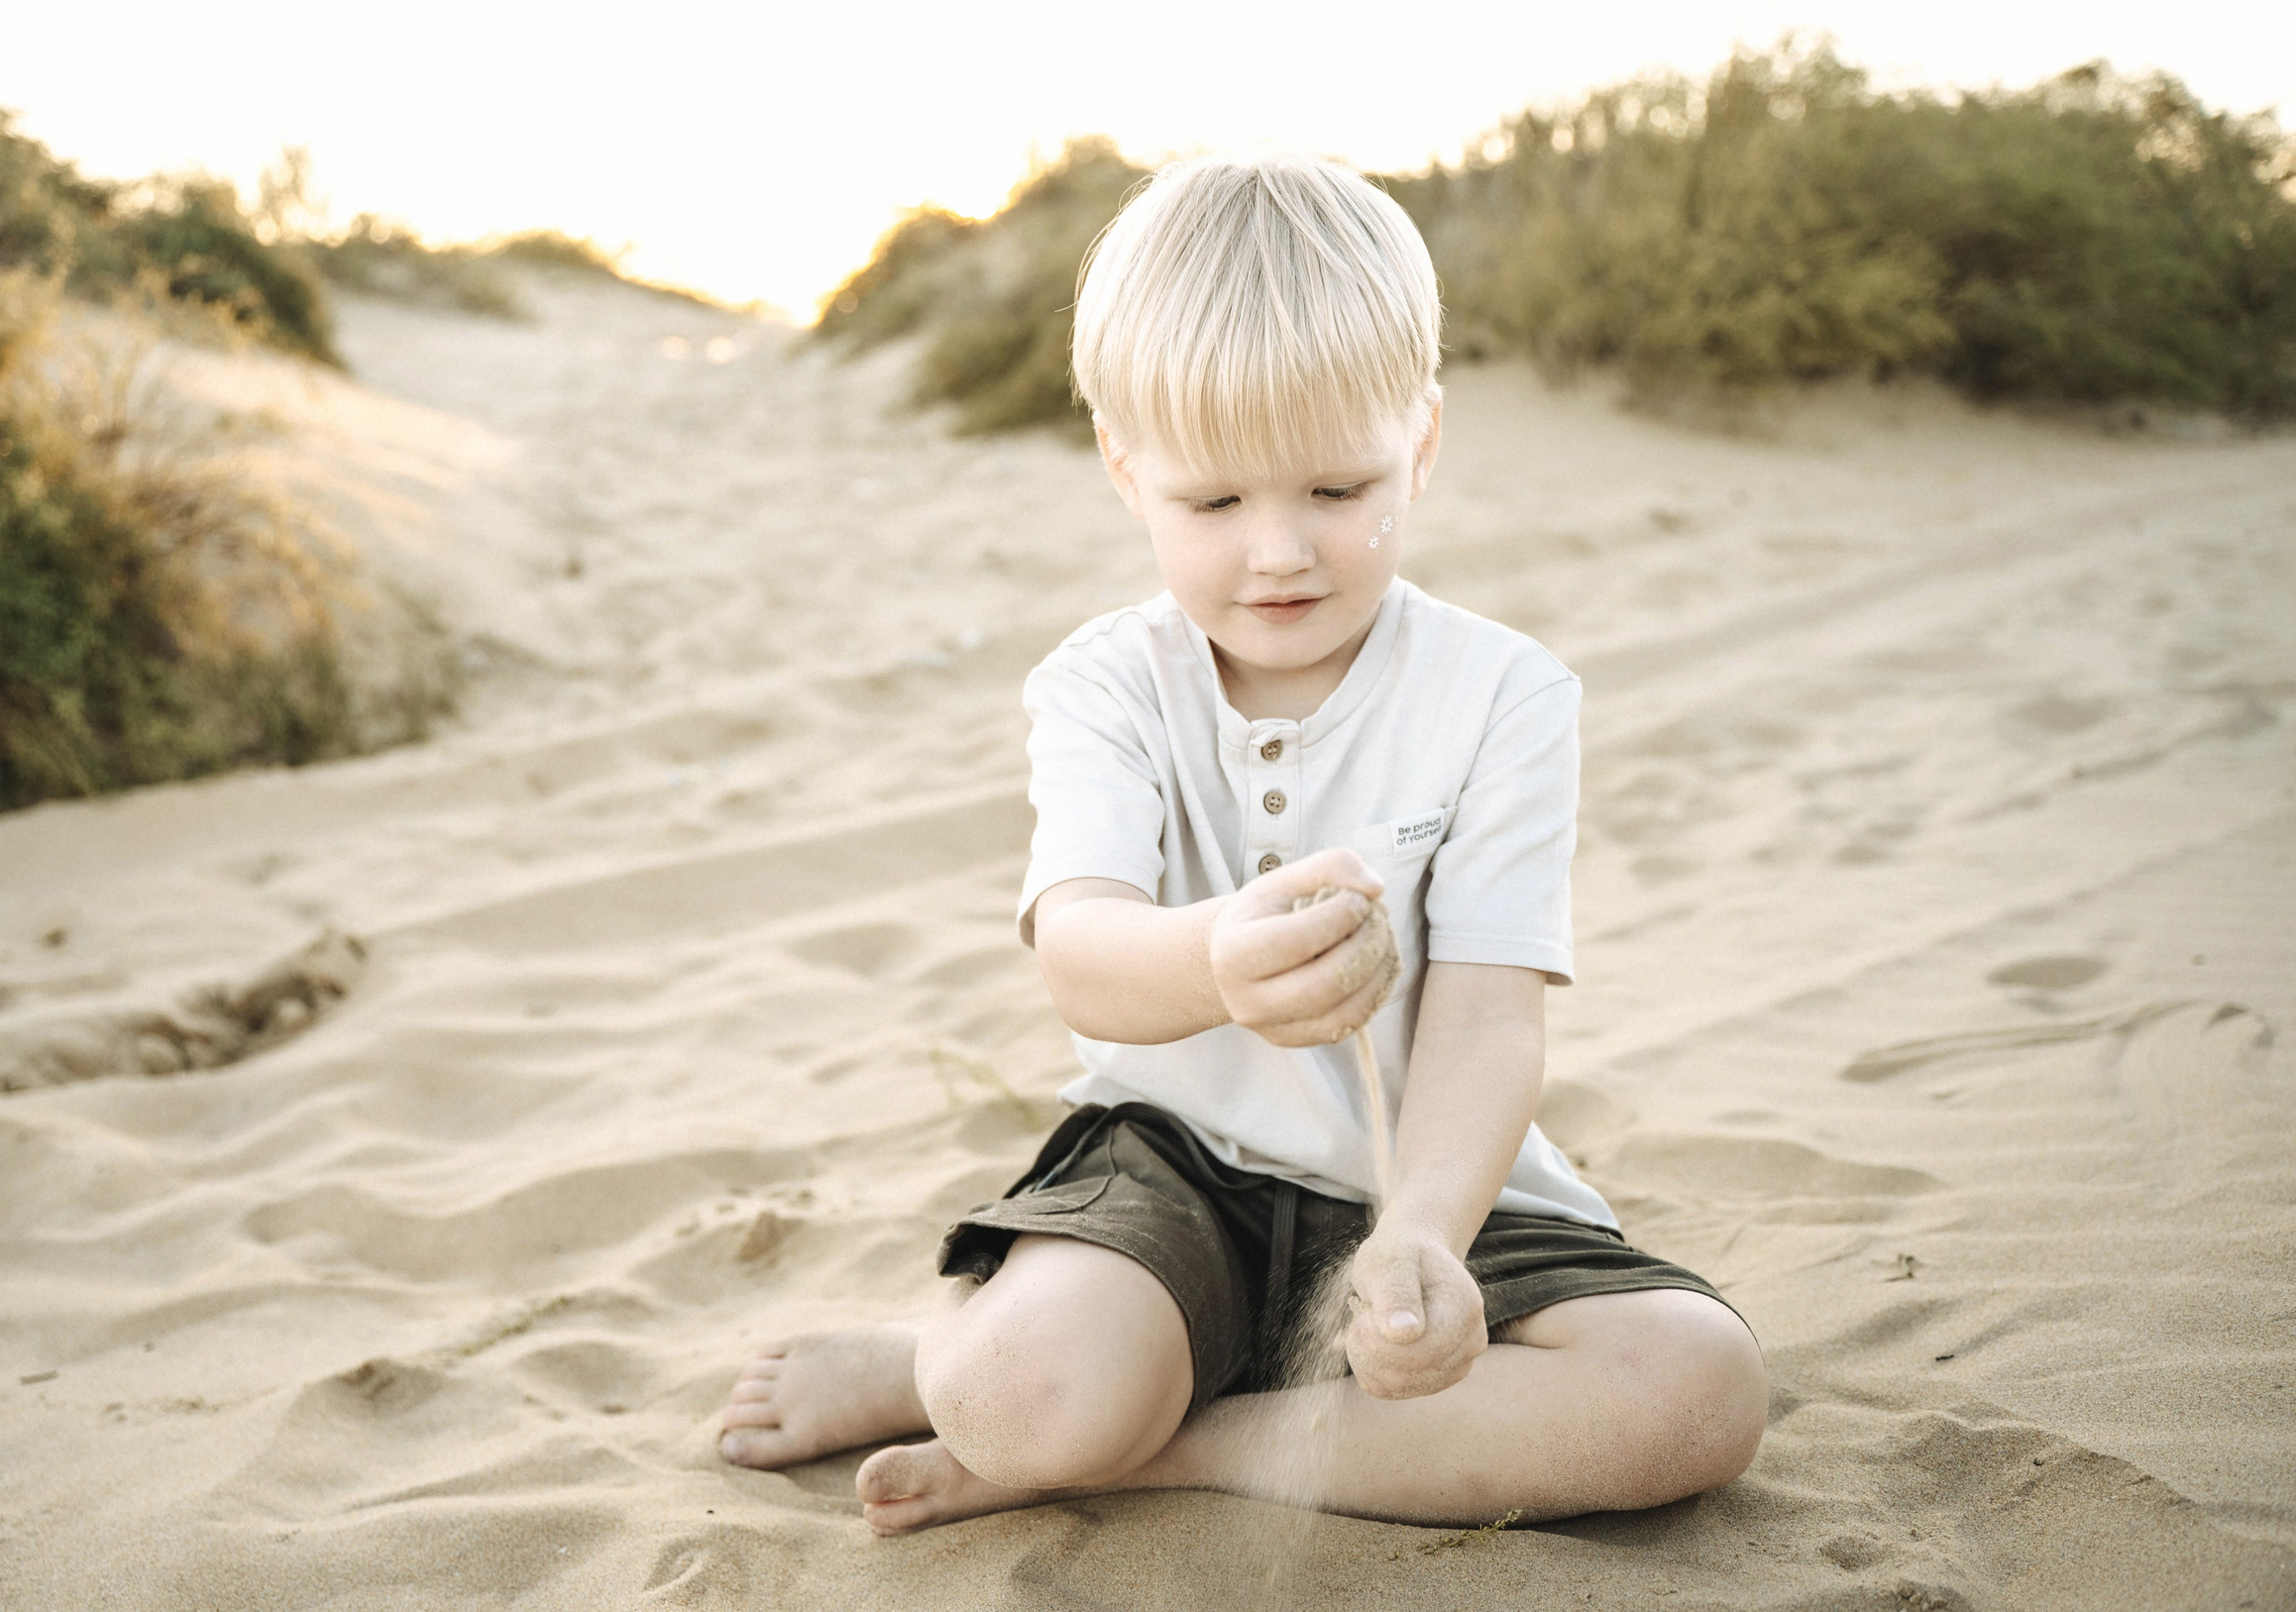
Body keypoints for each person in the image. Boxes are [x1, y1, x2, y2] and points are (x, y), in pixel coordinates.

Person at [718, 153, 1767, 1535]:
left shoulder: (1503, 695)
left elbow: (1491, 1020)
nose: (1279, 554)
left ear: (1425, 445)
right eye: (1213, 505)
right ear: (1126, 471)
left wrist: (1422, 1240)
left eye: (1339, 490)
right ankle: (940, 1372)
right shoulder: (1107, 685)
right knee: (1026, 1392)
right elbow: (1085, 958)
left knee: (1696, 1392)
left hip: (1428, 1181)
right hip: (1174, 1167)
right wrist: (1216, 956)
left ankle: (1166, 1448)